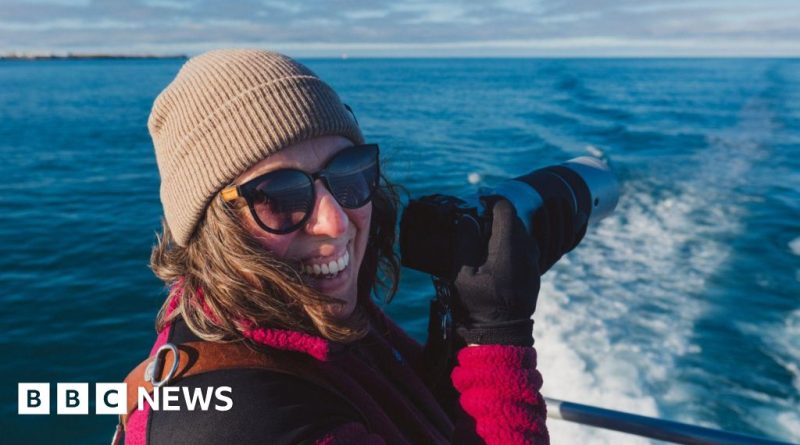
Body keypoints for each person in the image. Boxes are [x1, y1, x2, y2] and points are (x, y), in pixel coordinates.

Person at [120, 49, 550, 445]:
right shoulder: (247, 425)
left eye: (348, 173)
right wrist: (496, 336)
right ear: (213, 229)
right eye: (279, 196)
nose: (336, 221)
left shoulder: (313, 318)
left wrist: (463, 317)